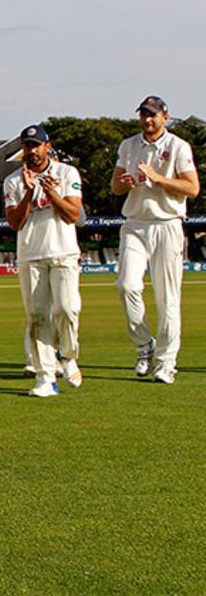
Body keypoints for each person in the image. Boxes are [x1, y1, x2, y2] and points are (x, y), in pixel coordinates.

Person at [111, 95, 200, 384]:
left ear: (165, 116)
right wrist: (123, 184)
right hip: (135, 223)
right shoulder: (129, 145)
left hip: (167, 224)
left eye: (153, 115)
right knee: (126, 286)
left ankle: (166, 363)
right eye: (143, 115)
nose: (148, 120)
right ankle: (143, 345)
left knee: (167, 299)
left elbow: (192, 188)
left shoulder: (178, 146)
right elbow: (114, 187)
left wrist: (159, 179)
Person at [5, 124, 84, 397]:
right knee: (37, 316)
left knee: (67, 309)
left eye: (36, 145)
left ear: (47, 146)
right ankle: (44, 377)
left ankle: (68, 354)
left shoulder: (66, 173)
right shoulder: (13, 181)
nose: (32, 151)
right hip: (30, 254)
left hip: (63, 251)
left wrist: (51, 193)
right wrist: (29, 193)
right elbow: (15, 222)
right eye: (27, 146)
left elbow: (73, 214)